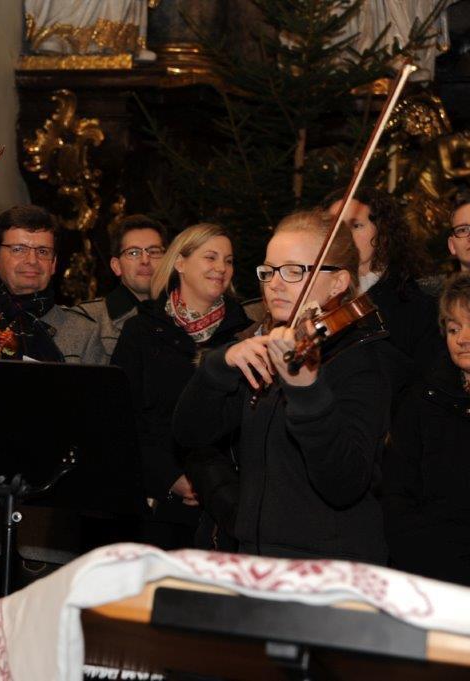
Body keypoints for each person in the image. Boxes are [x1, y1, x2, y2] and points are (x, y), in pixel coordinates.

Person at [173, 210, 394, 563]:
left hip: (329, 567)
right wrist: (217, 367)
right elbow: (189, 435)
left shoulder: (362, 361)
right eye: (269, 270)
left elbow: (344, 484)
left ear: (338, 282)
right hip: (256, 559)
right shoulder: (263, 345)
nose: (274, 284)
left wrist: (307, 392)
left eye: (293, 271)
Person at [110, 223, 251, 550]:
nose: (221, 268)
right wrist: (169, 478)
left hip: (227, 503)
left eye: (229, 260)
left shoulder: (244, 334)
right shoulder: (141, 330)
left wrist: (217, 482)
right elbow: (121, 416)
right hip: (159, 504)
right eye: (211, 257)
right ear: (180, 263)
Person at [382, 273, 470, 586]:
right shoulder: (423, 399)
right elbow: (397, 494)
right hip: (432, 573)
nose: (462, 339)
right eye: (454, 329)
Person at [328, 188, 440, 372]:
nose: (345, 236)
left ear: (382, 233)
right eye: (336, 227)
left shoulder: (413, 301)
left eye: (356, 226)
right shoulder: (317, 295)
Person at [0, 204, 104, 364]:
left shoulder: (85, 331)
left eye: (43, 251)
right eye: (18, 249)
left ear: (53, 264)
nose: (32, 260)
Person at [80, 214, 167, 363]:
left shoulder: (186, 318)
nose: (145, 260)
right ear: (116, 266)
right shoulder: (86, 320)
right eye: (133, 253)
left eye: (154, 252)